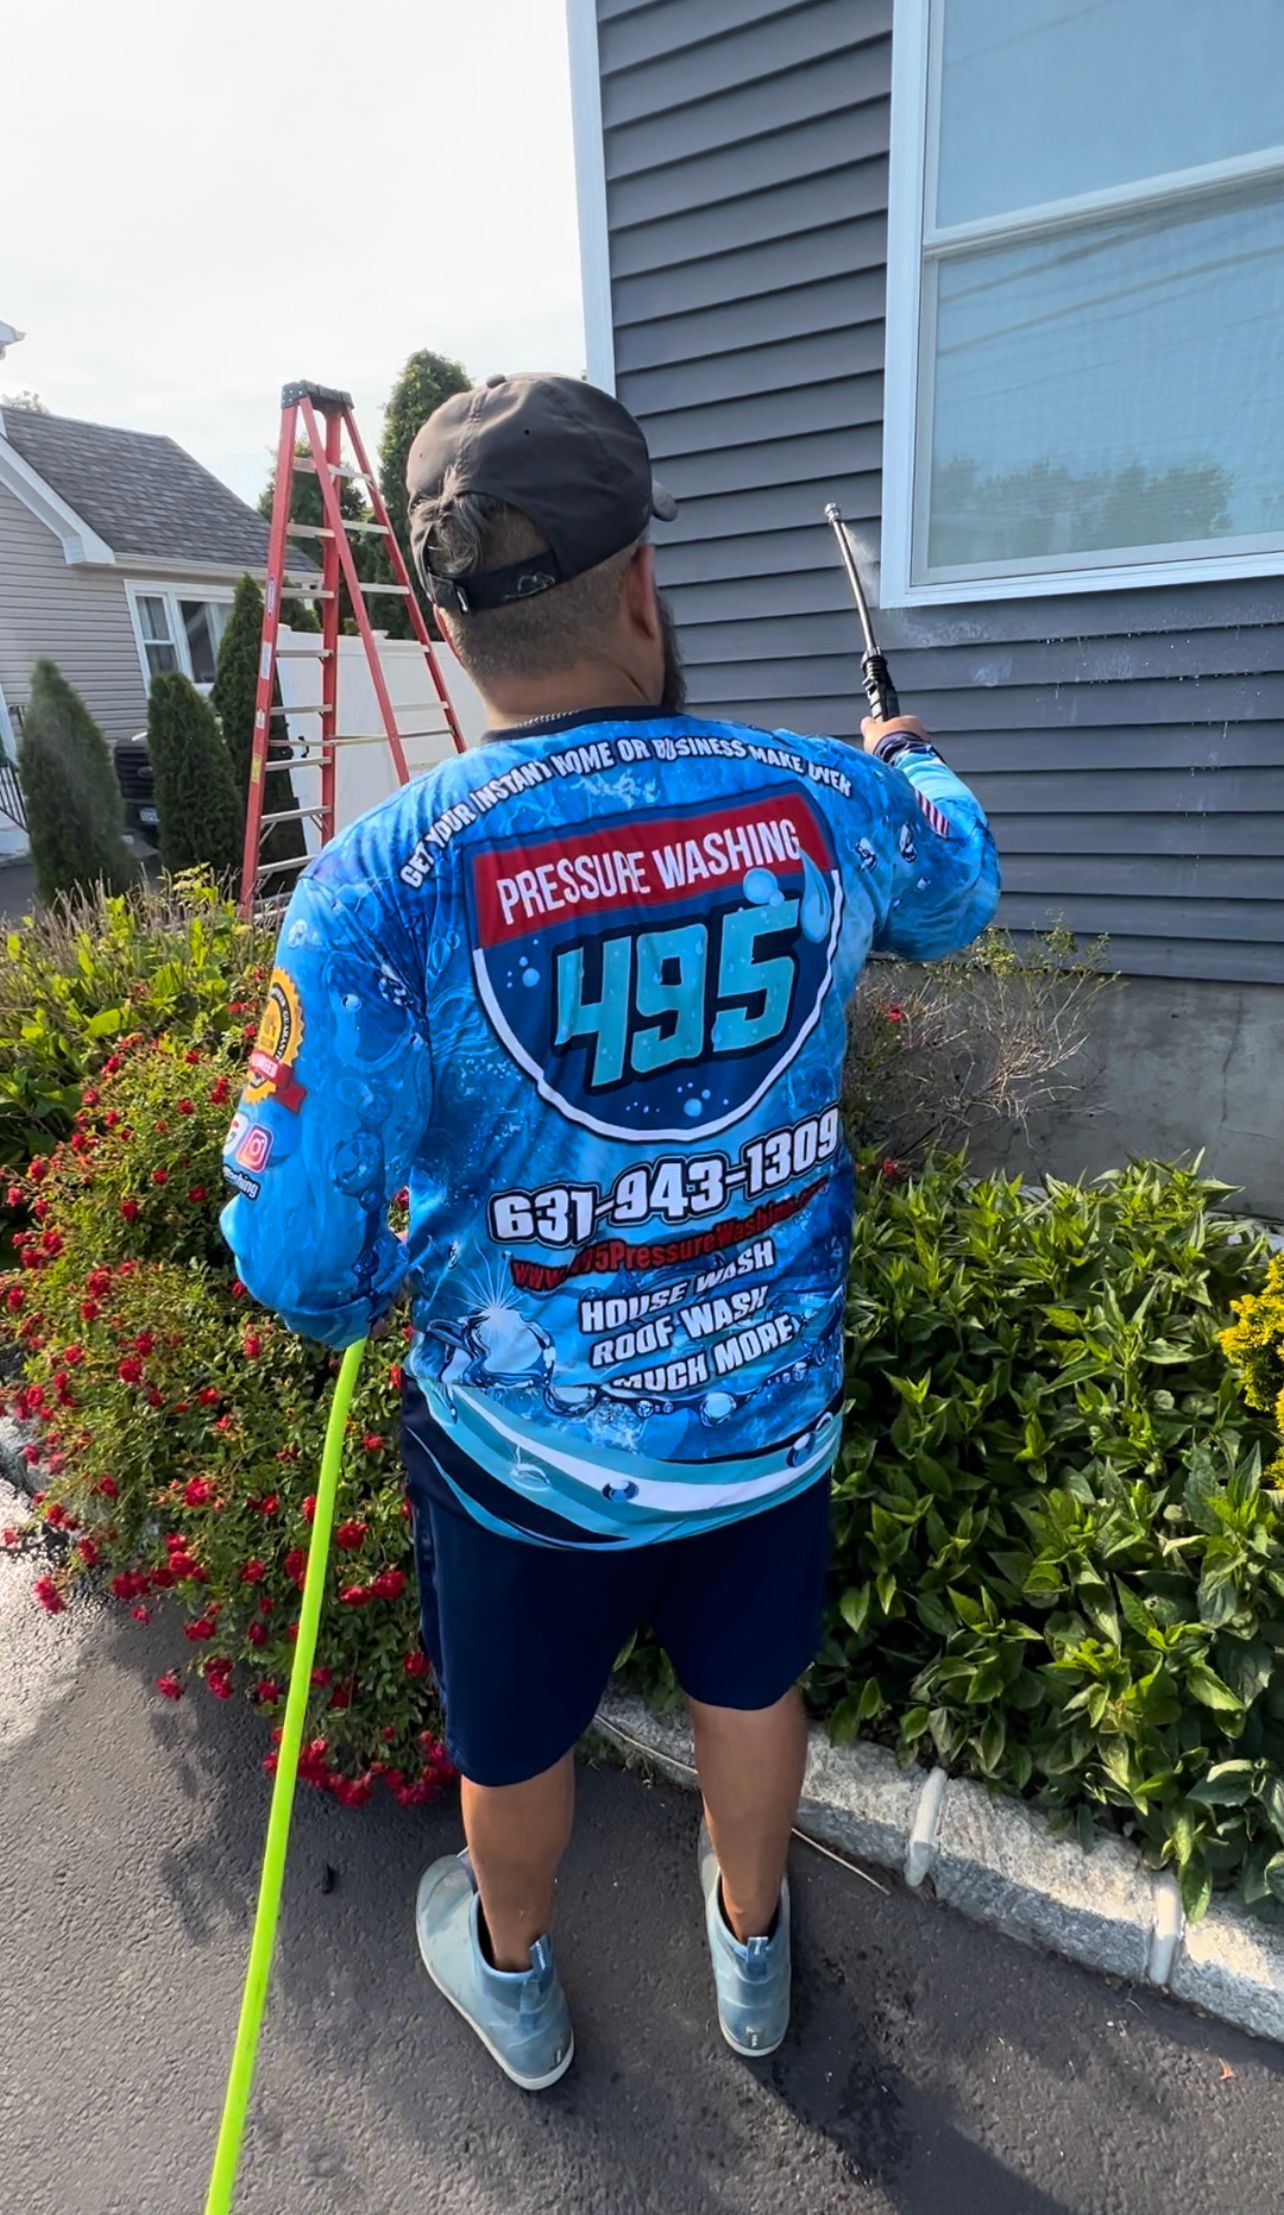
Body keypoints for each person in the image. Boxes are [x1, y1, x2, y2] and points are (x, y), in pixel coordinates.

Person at [221, 372, 999, 2090]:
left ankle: (513, 1979)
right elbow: (959, 885)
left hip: (524, 1454)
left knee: (513, 1745)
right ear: (642, 581)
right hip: (765, 1418)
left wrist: (390, 1282)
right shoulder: (821, 801)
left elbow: (299, 1261)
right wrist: (908, 756)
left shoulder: (381, 882)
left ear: (445, 625)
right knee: (751, 1690)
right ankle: (750, 1954)